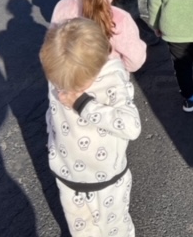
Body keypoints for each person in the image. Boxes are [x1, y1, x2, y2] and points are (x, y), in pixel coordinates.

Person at [41, 18, 142, 237]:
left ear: (96, 69)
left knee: (115, 231)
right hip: (68, 176)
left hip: (107, 180)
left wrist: (83, 103)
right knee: (83, 232)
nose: (65, 87)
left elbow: (131, 126)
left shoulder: (113, 80)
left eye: (75, 84)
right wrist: (52, 140)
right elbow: (53, 112)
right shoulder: (62, 72)